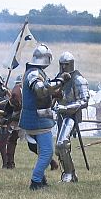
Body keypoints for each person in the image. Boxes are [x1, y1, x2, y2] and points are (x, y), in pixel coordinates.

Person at [19, 44, 69, 190]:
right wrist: (59, 81)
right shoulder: (34, 73)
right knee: (47, 152)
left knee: (43, 152)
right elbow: (40, 90)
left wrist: (55, 90)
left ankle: (41, 179)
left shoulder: (37, 72)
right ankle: (35, 181)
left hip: (38, 117)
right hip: (37, 118)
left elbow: (46, 90)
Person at [53, 52, 90, 182]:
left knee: (62, 143)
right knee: (59, 148)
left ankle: (69, 174)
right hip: (60, 115)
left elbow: (84, 101)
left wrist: (66, 108)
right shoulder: (59, 78)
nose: (63, 68)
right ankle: (68, 173)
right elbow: (54, 95)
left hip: (72, 116)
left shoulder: (78, 80)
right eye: (61, 65)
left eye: (66, 65)